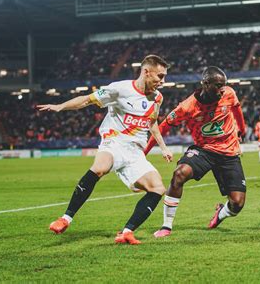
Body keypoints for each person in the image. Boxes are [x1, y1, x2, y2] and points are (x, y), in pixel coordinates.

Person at [37, 55, 173, 245]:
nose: (163, 82)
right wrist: (60, 106)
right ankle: (65, 219)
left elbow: (152, 123)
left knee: (158, 188)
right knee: (100, 167)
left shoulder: (157, 98)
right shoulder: (120, 89)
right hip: (114, 142)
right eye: (160, 76)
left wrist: (163, 147)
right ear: (146, 72)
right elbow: (87, 100)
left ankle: (126, 232)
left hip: (135, 152)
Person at [144, 66, 247, 238]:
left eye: (224, 85)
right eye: (218, 85)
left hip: (229, 152)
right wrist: (145, 152)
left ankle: (221, 213)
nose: (222, 89)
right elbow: (163, 127)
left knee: (237, 204)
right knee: (179, 174)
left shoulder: (229, 93)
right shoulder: (187, 107)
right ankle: (166, 226)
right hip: (204, 151)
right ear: (206, 84)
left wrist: (241, 130)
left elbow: (237, 108)